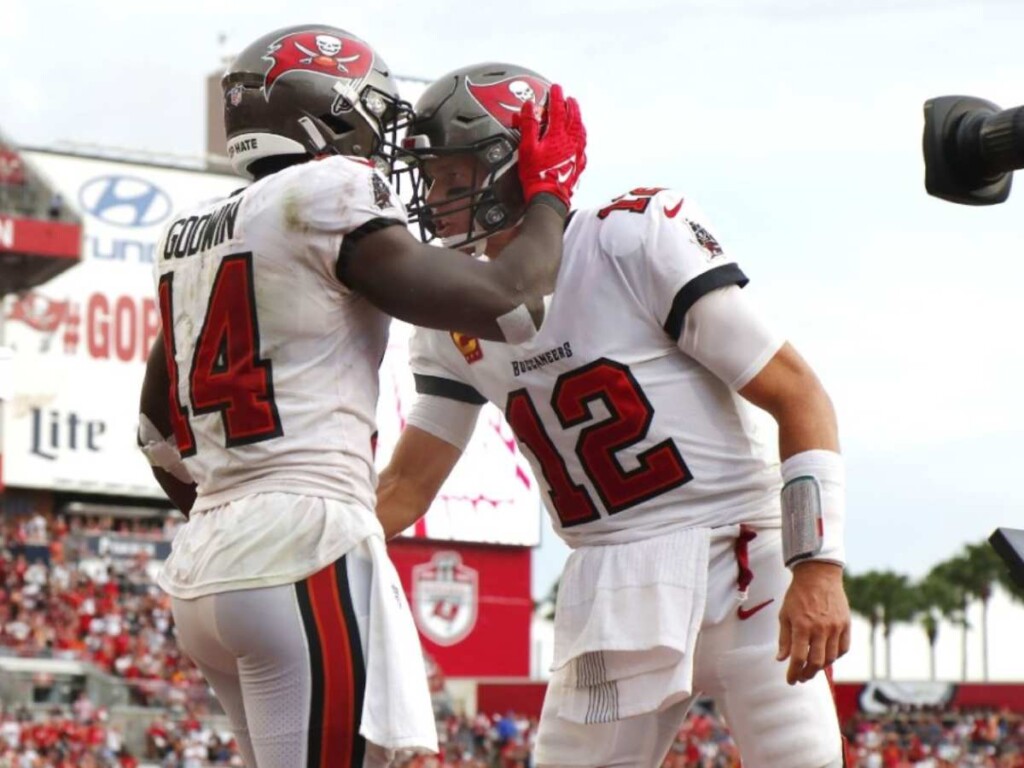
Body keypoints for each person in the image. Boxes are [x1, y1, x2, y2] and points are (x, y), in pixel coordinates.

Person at [376, 63, 850, 768]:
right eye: (433, 178)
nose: (438, 198)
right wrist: (316, 544)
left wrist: (818, 565)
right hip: (611, 572)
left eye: (454, 176)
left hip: (740, 550)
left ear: (513, 166)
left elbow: (798, 393)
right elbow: (408, 486)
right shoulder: (453, 315)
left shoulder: (630, 239)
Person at [136, 29, 586, 768]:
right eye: (375, 109)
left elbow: (156, 435)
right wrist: (549, 194)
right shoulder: (328, 188)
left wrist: (232, 513)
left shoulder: (188, 234)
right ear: (332, 111)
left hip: (208, 566)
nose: (386, 134)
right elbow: (509, 303)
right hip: (300, 542)